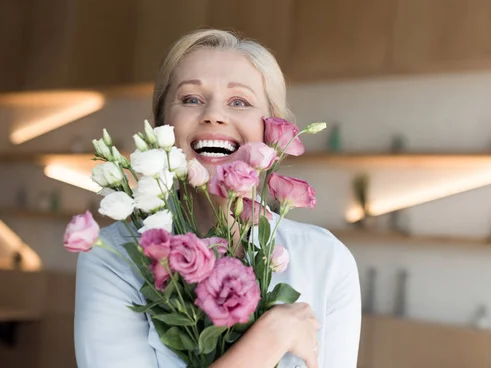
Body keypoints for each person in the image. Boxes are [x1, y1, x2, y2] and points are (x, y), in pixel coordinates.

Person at [74, 29, 362, 368]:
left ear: (272, 131)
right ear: (163, 127)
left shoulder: (326, 261)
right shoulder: (115, 258)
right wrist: (272, 336)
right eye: (191, 99)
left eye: (239, 102)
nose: (213, 114)